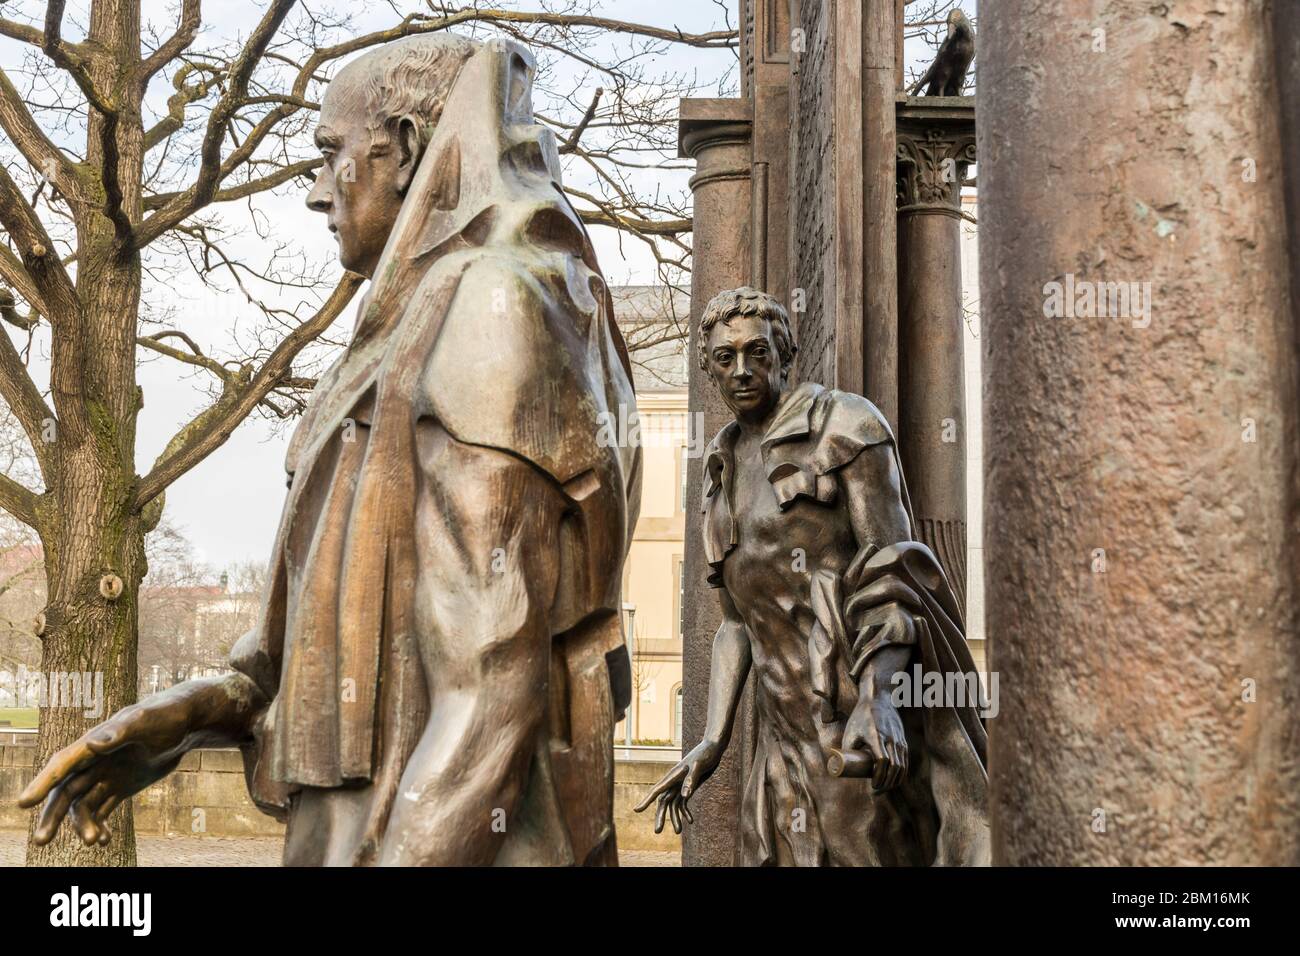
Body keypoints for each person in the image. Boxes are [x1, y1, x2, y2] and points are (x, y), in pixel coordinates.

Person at [20, 35, 641, 867]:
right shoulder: (401, 336)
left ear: (408, 150)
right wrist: (190, 713)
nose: (317, 194)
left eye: (331, 155)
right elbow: (291, 656)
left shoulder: (495, 307)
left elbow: (494, 686)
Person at [636, 287, 987, 865]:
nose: (742, 371)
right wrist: (712, 740)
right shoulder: (719, 471)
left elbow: (892, 571)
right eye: (725, 359)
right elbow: (735, 626)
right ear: (708, 369)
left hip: (856, 725)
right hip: (781, 746)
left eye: (758, 352)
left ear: (785, 353)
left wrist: (879, 699)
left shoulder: (845, 425)